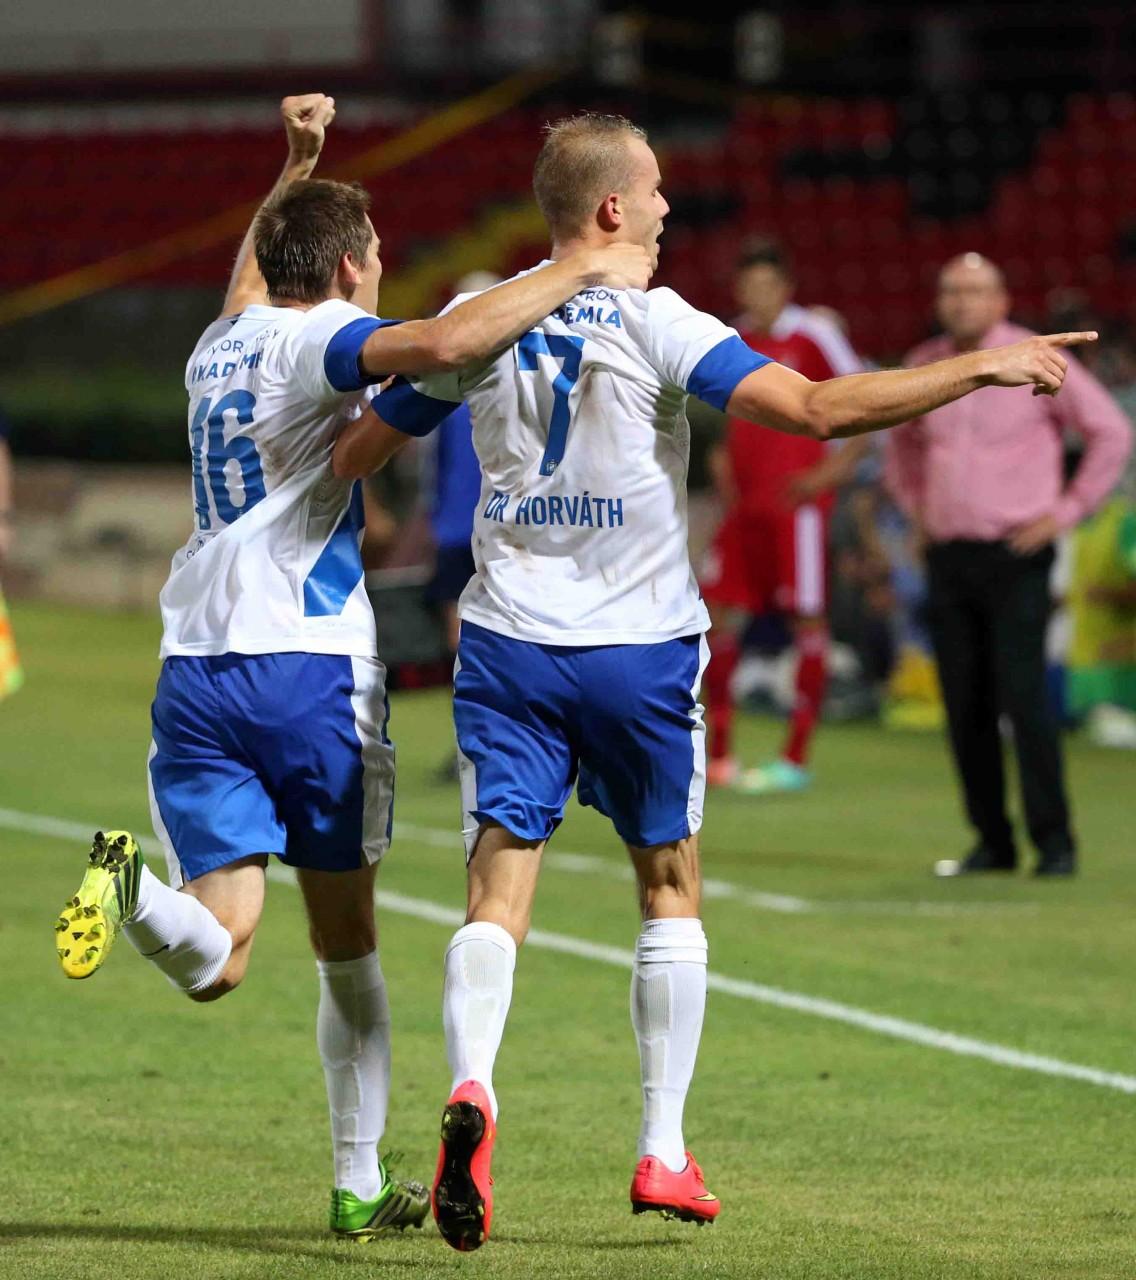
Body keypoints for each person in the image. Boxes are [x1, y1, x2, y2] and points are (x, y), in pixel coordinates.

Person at [333, 112, 1099, 1252]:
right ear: (609, 209)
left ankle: (474, 1083)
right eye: (651, 191)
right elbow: (818, 411)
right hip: (638, 649)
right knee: (667, 884)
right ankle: (663, 1147)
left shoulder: (478, 325)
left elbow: (357, 451)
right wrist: (978, 367)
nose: (664, 208)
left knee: (496, 890)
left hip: (509, 641)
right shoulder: (661, 322)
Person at [52, 94, 651, 1240]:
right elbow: (443, 344)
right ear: (341, 267)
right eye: (371, 256)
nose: (378, 272)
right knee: (347, 944)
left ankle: (132, 889)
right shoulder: (316, 337)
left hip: (196, 670)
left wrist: (295, 164)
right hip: (309, 670)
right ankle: (356, 1176)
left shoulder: (220, 343)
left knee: (220, 953)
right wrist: (578, 262)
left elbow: (252, 270)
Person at [885, 253, 1131, 878]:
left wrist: (1066, 511)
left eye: (974, 291)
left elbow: (1111, 432)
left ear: (1001, 301)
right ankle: (991, 841)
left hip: (1017, 553)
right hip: (948, 554)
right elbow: (901, 441)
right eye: (951, 290)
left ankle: (1055, 843)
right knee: (963, 703)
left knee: (1024, 698)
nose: (961, 301)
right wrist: (915, 509)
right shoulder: (925, 363)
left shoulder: (1033, 356)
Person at [700, 241, 870, 794]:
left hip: (797, 511)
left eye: (767, 285)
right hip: (744, 510)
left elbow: (861, 401)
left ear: (786, 288)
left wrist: (828, 475)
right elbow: (723, 417)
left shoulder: (813, 334)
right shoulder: (731, 337)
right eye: (749, 286)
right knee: (718, 619)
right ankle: (720, 754)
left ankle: (794, 756)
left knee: (807, 622)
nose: (758, 295)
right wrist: (723, 462)